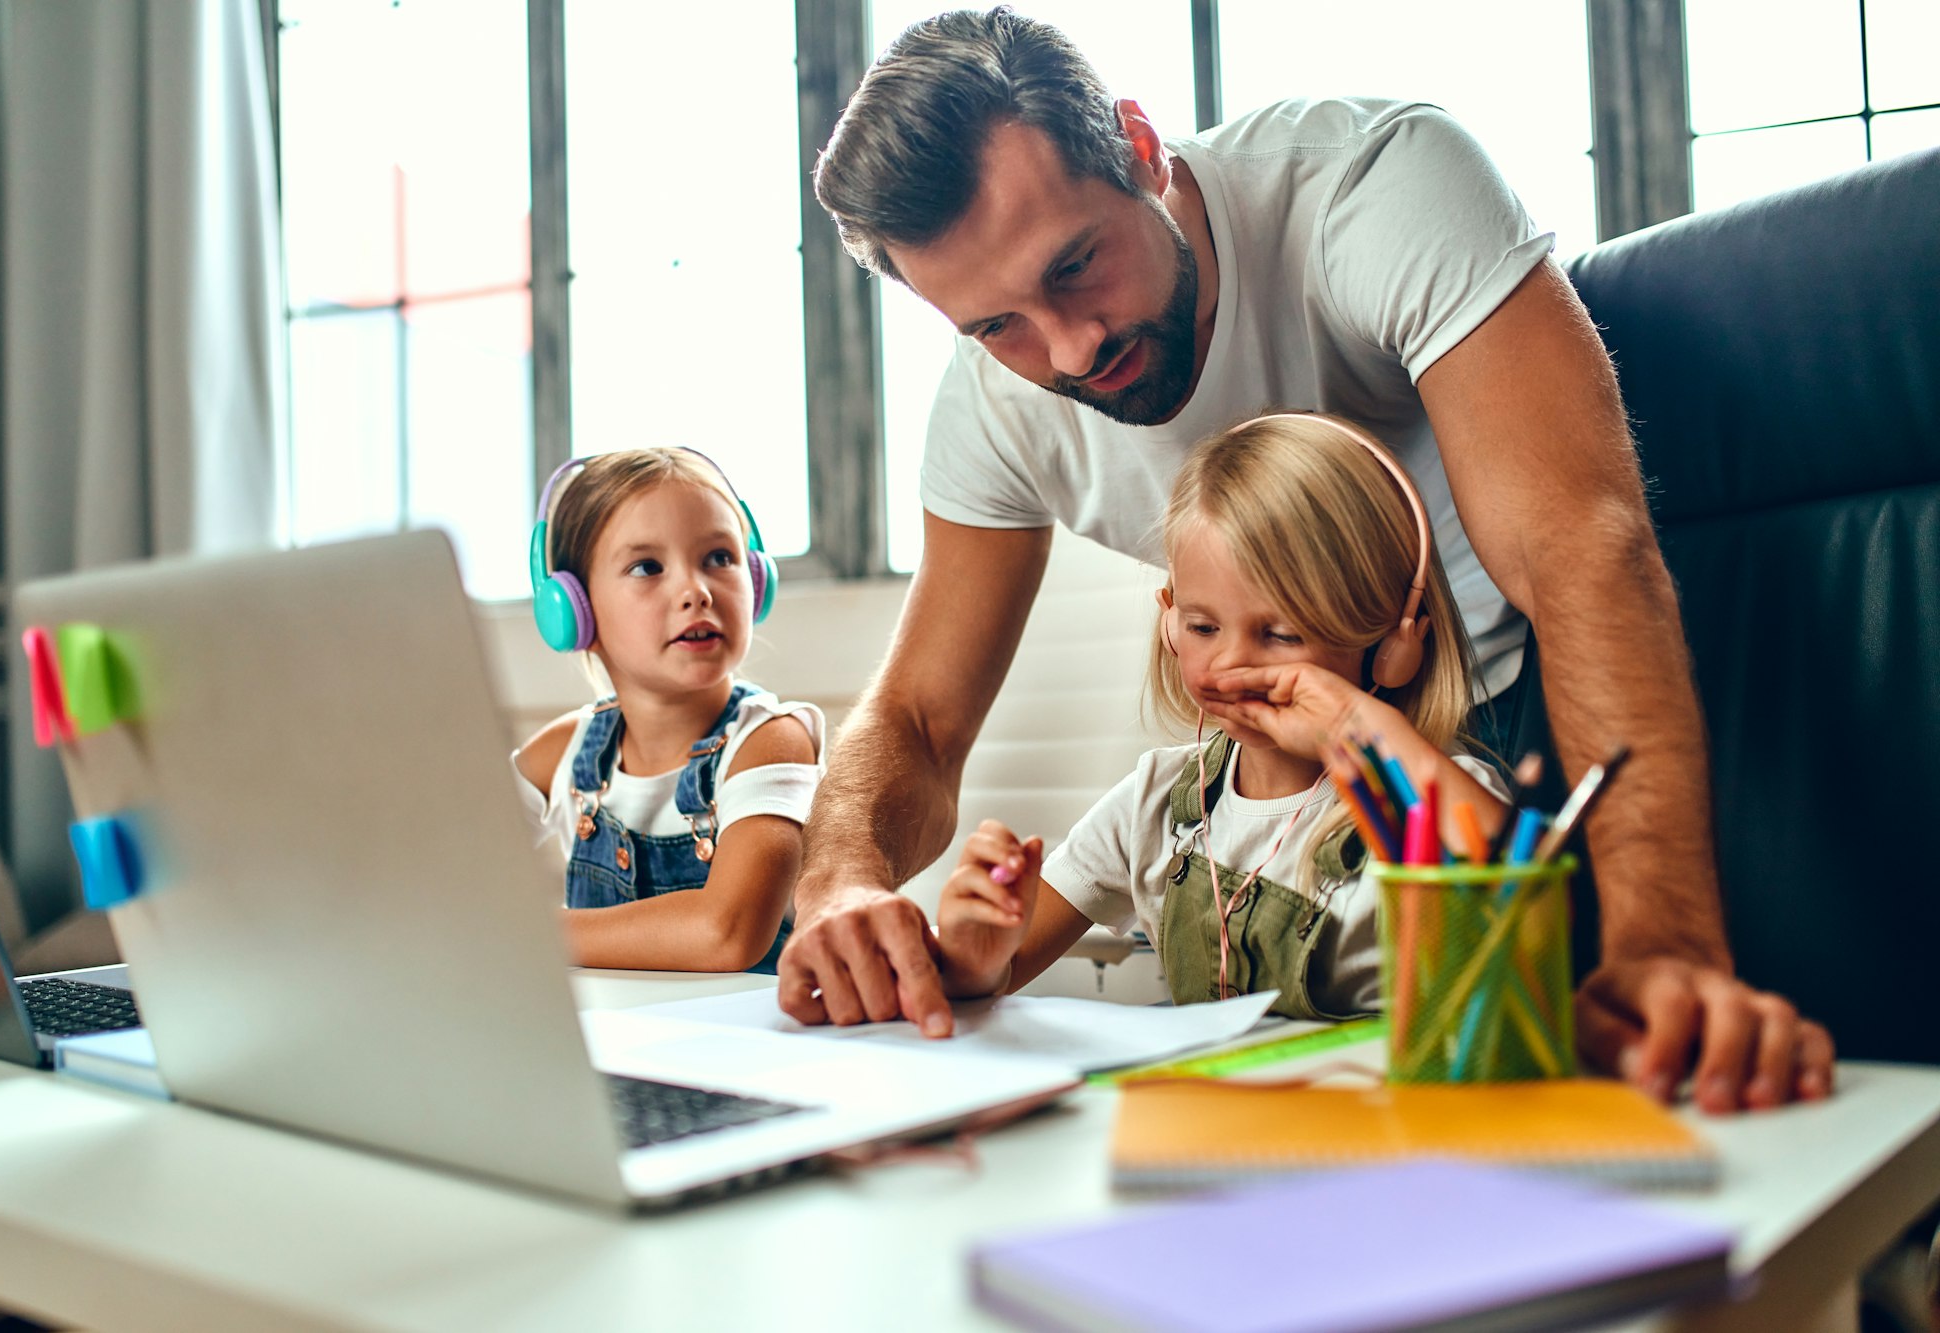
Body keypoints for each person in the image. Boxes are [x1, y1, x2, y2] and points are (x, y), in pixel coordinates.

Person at [786, 6, 1833, 1111]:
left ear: (1138, 148)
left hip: (1518, 730)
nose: (1071, 348)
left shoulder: (1371, 188)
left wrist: (1662, 945)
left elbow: (1577, 552)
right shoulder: (994, 411)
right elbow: (918, 719)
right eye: (996, 325)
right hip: (1280, 817)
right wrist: (839, 882)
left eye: (1077, 264)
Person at [935, 413, 1509, 1014]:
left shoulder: (1433, 795)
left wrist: (1357, 729)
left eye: (1282, 634)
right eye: (1203, 627)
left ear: (1391, 648)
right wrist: (976, 956)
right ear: (1169, 621)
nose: (1230, 662)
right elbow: (994, 975)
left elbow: (1537, 928)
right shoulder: (1155, 803)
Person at [513, 448, 824, 973]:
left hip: (748, 1023)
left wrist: (526, 934)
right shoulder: (565, 752)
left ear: (757, 581)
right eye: (647, 567)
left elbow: (727, 933)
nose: (695, 591)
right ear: (573, 611)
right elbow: (447, 862)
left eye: (719, 558)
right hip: (612, 1022)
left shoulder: (769, 741)